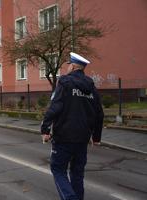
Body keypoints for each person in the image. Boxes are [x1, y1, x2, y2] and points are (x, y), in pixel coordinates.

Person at [41, 52, 104, 200]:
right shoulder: (91, 86)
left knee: (58, 169)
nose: (67, 66)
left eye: (68, 64)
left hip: (63, 138)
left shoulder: (64, 82)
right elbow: (99, 114)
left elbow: (55, 107)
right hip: (82, 139)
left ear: (74, 66)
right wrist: (96, 138)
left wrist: (44, 129)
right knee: (77, 174)